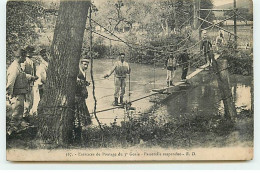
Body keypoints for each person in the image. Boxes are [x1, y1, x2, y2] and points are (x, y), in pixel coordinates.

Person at [6, 48, 37, 135]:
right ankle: (10, 133)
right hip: (16, 95)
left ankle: (15, 130)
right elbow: (10, 83)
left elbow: (22, 75)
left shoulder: (17, 66)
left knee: (19, 113)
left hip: (20, 94)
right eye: (24, 57)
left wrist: (31, 77)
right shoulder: (14, 68)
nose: (25, 59)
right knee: (16, 114)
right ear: (20, 57)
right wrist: (10, 95)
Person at [73, 58, 92, 142]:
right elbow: (76, 83)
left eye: (87, 64)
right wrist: (83, 84)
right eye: (84, 64)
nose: (86, 66)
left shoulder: (84, 72)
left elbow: (82, 83)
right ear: (81, 64)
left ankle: (79, 136)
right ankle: (77, 137)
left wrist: (86, 83)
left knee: (81, 118)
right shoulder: (78, 72)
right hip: (77, 98)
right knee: (78, 118)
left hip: (81, 98)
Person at [31, 49, 49, 116]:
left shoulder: (48, 63)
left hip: (44, 84)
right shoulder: (42, 65)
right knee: (41, 100)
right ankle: (39, 114)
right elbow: (43, 78)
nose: (45, 56)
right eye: (43, 55)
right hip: (42, 85)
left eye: (45, 54)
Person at [22, 46, 37, 117]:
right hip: (25, 84)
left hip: (31, 84)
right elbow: (22, 74)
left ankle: (27, 116)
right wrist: (31, 77)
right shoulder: (24, 61)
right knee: (26, 102)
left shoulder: (31, 61)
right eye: (30, 52)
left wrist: (35, 77)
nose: (32, 53)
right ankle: (24, 117)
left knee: (31, 101)